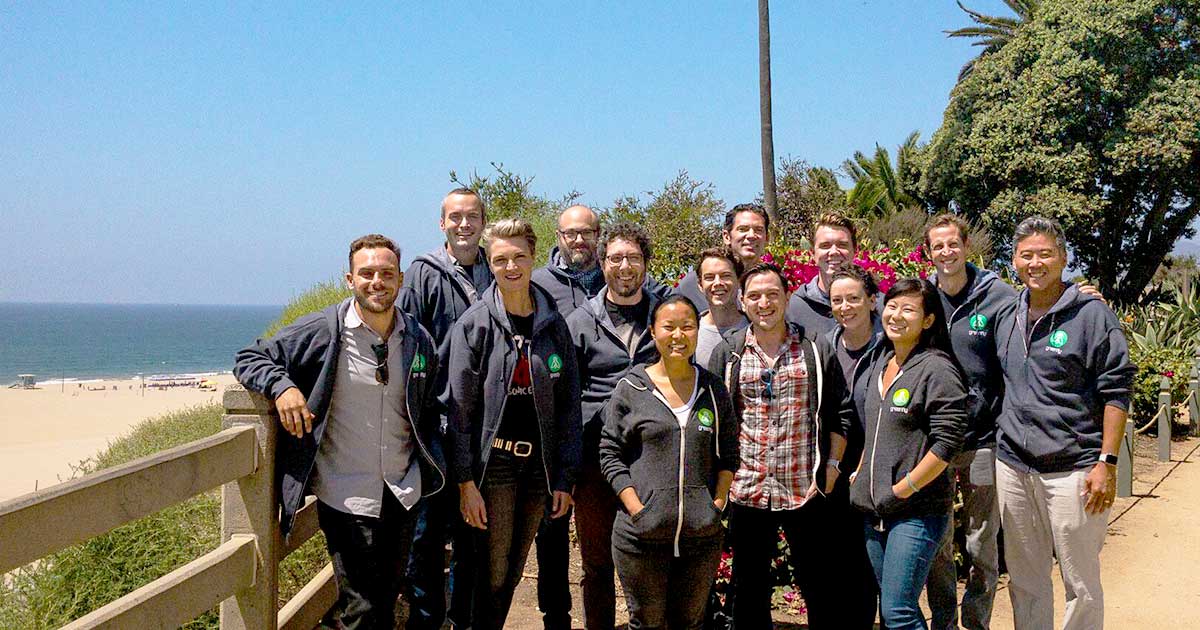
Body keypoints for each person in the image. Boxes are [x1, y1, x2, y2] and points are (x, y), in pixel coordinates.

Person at [234, 234, 445, 630]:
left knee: (384, 601)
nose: (376, 282)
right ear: (349, 279)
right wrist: (283, 387)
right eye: (367, 274)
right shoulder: (323, 330)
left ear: (400, 280)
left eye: (386, 273)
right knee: (360, 608)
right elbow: (249, 357)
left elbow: (429, 405)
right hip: (345, 493)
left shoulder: (418, 338)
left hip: (402, 491)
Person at [709, 262, 868, 629]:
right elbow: (716, 418)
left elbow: (839, 411)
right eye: (754, 296)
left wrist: (830, 470)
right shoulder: (730, 354)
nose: (764, 303)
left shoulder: (814, 350)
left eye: (772, 294)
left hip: (805, 488)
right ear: (743, 302)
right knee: (749, 588)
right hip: (748, 490)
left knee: (818, 584)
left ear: (787, 297)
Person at [993, 216, 1134, 630]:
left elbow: (1116, 391)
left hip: (1074, 470)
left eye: (1045, 254)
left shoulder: (1092, 315)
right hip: (1014, 467)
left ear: (1064, 258)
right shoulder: (1009, 313)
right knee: (1025, 580)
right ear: (1014, 261)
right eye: (1026, 255)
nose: (1035, 263)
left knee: (1081, 582)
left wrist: (1106, 462)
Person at [447, 218, 582, 630]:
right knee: (492, 568)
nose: (510, 267)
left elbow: (568, 409)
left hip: (539, 469)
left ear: (533, 257)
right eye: (500, 259)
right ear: (489, 262)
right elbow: (459, 411)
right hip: (494, 468)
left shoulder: (554, 325)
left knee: (515, 563)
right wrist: (465, 482)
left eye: (519, 257)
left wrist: (564, 477)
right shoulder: (474, 325)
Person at [600, 295, 739, 629]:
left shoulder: (713, 389)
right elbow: (610, 453)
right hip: (641, 537)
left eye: (687, 327)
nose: (679, 335)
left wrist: (715, 504)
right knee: (647, 621)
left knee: (690, 622)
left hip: (700, 537)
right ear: (653, 332)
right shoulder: (631, 388)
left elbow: (729, 454)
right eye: (669, 327)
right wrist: (637, 509)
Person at [399, 187, 494, 630]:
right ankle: (426, 622)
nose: (463, 224)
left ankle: (463, 621)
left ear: (482, 222)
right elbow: (406, 340)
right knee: (427, 537)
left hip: (481, 428)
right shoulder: (423, 273)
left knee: (474, 537)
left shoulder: (498, 270)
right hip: (435, 425)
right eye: (455, 217)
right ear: (442, 223)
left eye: (472, 216)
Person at [849, 278, 968, 630]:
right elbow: (875, 429)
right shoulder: (881, 362)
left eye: (908, 309)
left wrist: (904, 488)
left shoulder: (938, 369)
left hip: (916, 511)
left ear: (928, 320)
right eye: (891, 306)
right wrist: (861, 471)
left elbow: (947, 444)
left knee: (898, 612)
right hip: (874, 509)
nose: (896, 315)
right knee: (894, 608)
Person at [566, 221, 664, 630]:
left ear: (645, 264)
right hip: (593, 464)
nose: (625, 266)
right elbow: (565, 401)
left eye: (634, 258)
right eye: (616, 258)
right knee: (597, 564)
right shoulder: (579, 321)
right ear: (602, 263)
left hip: (650, 461)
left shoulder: (664, 317)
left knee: (653, 560)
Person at [921, 214, 1016, 630]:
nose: (946, 252)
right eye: (937, 246)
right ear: (929, 253)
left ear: (966, 246)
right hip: (936, 441)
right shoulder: (922, 296)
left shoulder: (996, 295)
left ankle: (976, 623)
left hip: (983, 438)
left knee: (982, 545)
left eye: (952, 244)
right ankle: (942, 621)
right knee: (938, 540)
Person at [676, 204, 770, 311]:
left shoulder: (774, 283)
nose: (751, 235)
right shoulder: (691, 286)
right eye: (743, 229)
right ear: (726, 236)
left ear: (767, 238)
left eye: (758, 230)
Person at [786, 212, 864, 334]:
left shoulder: (876, 304)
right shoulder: (796, 307)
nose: (833, 252)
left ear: (855, 250)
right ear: (812, 253)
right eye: (825, 246)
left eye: (842, 245)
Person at [531, 204, 606, 318]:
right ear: (559, 236)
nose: (579, 240)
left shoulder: (616, 280)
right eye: (570, 233)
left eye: (586, 232)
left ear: (598, 234)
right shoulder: (536, 284)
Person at [693, 247, 747, 368]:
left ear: (739, 281)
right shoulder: (690, 331)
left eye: (725, 276)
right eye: (709, 277)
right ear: (700, 285)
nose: (717, 283)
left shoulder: (755, 328)